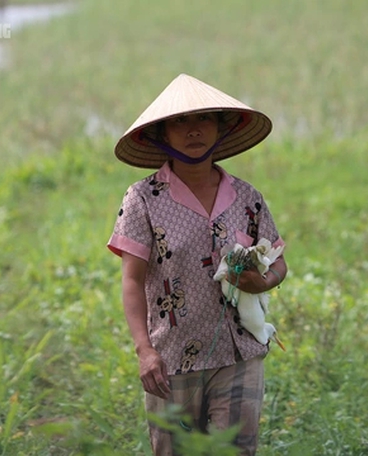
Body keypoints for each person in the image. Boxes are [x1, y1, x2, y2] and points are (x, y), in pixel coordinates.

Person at [107, 73, 287, 456]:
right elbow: (131, 281)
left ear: (220, 128)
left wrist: (264, 281)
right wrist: (144, 350)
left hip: (240, 353)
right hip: (172, 359)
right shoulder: (143, 199)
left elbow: (278, 261)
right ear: (163, 135)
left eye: (204, 119)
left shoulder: (246, 197)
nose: (193, 131)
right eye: (180, 122)